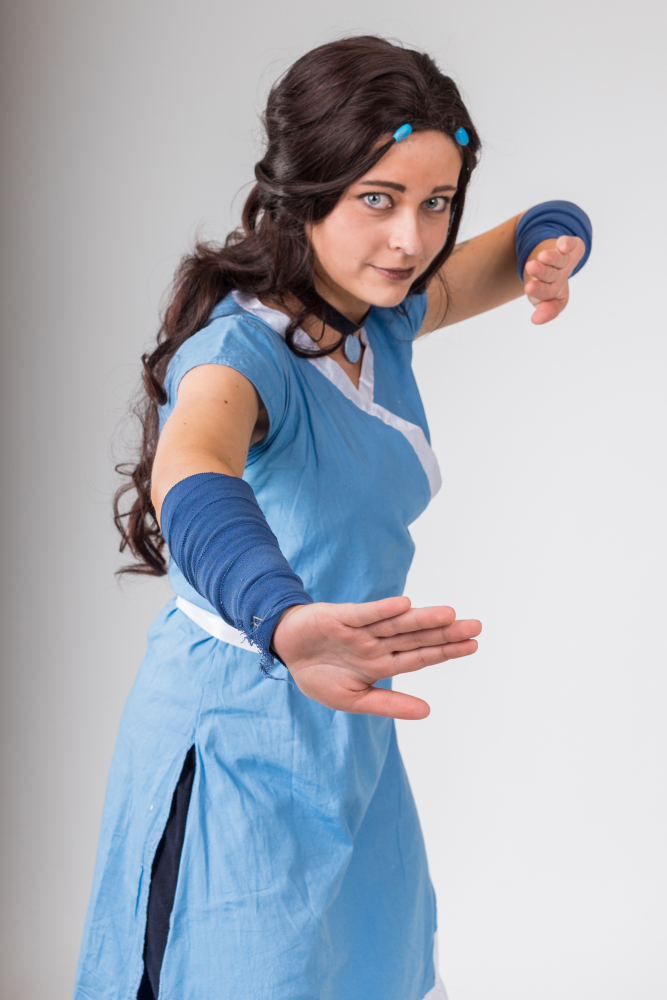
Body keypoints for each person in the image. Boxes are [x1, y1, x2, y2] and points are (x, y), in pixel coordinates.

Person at [73, 35, 591, 1000]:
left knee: (371, 971)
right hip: (238, 728)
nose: (412, 240)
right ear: (306, 190)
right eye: (378, 200)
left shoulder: (377, 315)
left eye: (436, 202)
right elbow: (192, 468)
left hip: (349, 723)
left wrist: (557, 246)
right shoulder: (238, 355)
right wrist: (281, 617)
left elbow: (537, 226)